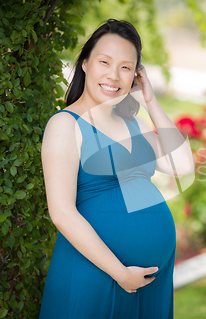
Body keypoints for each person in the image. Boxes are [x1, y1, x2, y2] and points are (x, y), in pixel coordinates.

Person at [39, 18, 194, 318]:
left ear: (136, 74)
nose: (114, 75)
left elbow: (183, 164)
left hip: (149, 283)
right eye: (104, 62)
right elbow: (61, 213)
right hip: (97, 276)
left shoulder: (132, 122)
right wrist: (120, 273)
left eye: (125, 66)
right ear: (85, 63)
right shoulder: (65, 124)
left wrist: (149, 99)